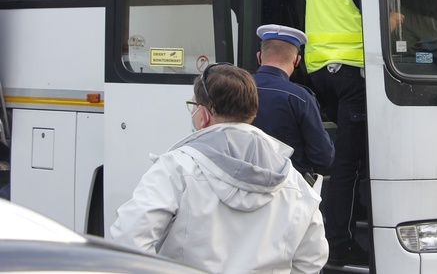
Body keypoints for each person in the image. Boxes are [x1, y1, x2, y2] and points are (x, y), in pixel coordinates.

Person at [110, 63, 328, 274]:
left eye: (193, 106)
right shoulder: (295, 182)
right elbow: (311, 259)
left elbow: (130, 237)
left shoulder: (176, 168)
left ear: (203, 115)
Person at [303, 0, 368, 266]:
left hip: (319, 73)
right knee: (350, 164)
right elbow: (374, 20)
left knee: (345, 157)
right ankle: (339, 246)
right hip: (353, 74)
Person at [252, 24, 335, 181]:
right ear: (297, 61)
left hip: (241, 186)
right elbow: (323, 158)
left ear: (259, 57)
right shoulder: (301, 98)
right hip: (289, 189)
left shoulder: (234, 89)